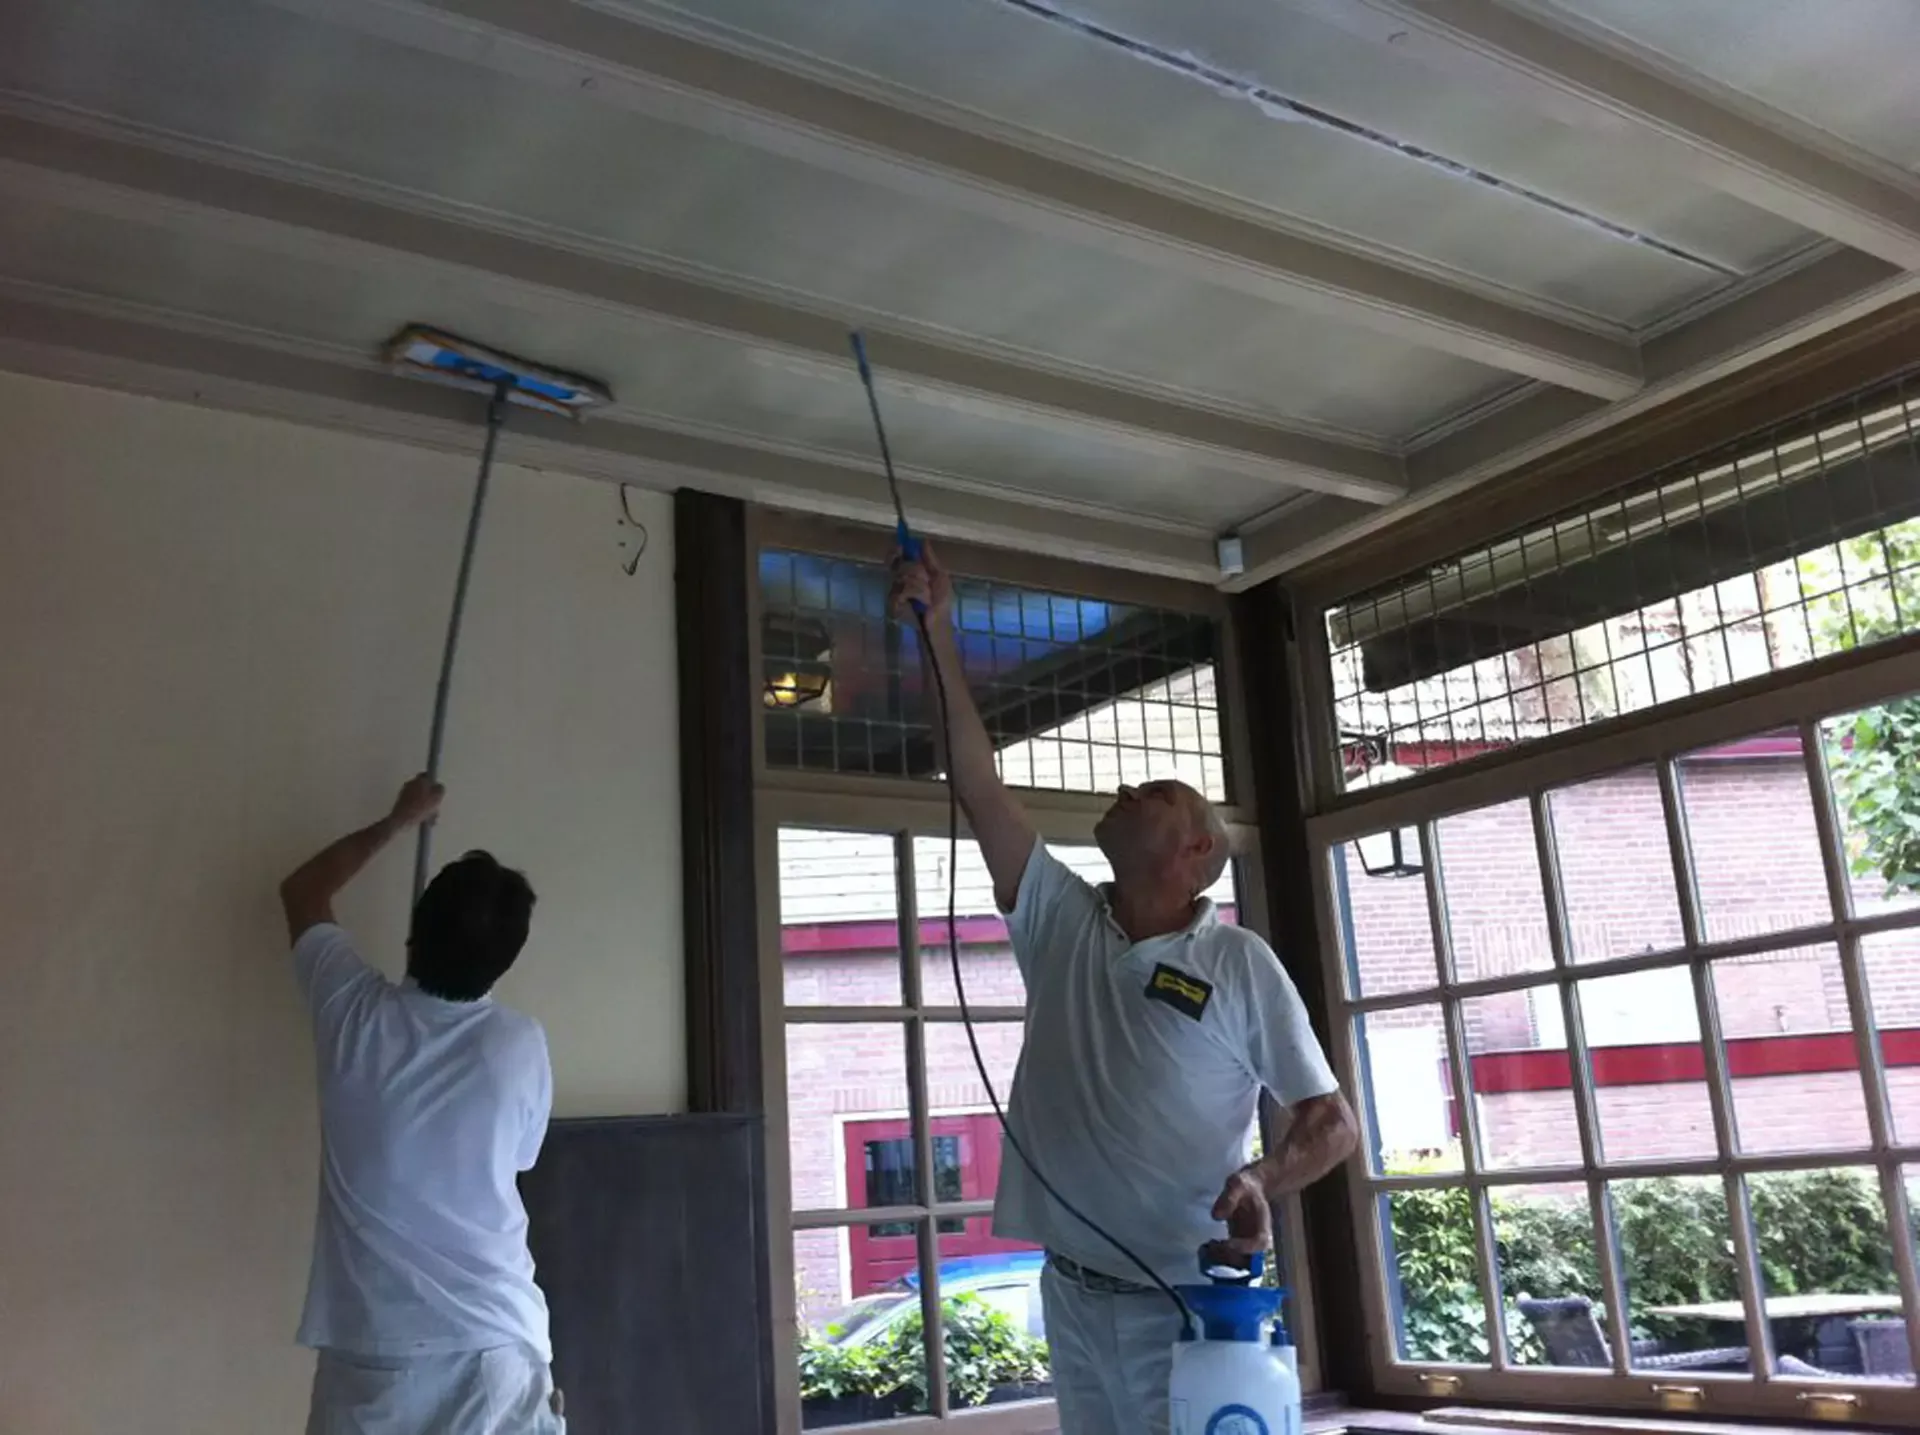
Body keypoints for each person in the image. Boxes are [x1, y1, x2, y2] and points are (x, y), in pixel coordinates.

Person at [890, 546, 1358, 1435]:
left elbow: (1333, 1122)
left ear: (1196, 851)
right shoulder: (1060, 920)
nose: (1125, 786)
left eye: (1156, 793)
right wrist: (937, 632)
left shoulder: (1237, 962)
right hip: (1069, 1290)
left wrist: (1259, 1175)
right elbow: (978, 784)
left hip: (1179, 1299)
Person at [279, 775, 563, 1435]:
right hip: (493, 1344)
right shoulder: (517, 1044)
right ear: (502, 962)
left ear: (415, 934)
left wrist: (398, 819)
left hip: (370, 1351)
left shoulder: (349, 1012)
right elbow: (521, 1157)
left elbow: (302, 890)